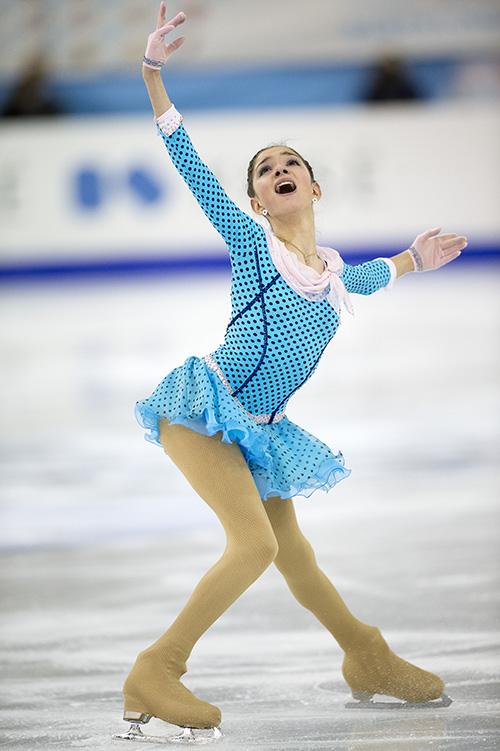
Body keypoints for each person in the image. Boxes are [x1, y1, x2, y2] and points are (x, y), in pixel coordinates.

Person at [115, 3, 467, 743]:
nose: (280, 170)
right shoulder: (251, 243)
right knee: (257, 547)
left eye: (291, 165)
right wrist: (152, 72)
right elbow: (190, 165)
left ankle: (364, 654)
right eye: (266, 169)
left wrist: (414, 259)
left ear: (314, 190)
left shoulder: (334, 275)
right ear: (255, 201)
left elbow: (369, 277)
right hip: (204, 409)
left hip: (263, 430)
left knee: (296, 554)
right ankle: (157, 666)